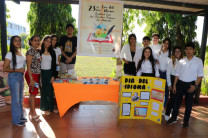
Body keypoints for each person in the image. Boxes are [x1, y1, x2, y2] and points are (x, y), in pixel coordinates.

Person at [167, 42, 204, 128]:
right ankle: (174, 117)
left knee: (188, 104)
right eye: (187, 49)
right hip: (180, 83)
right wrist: (175, 85)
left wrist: (195, 86)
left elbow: (200, 75)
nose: (188, 51)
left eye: (190, 49)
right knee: (177, 102)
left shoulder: (198, 61)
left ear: (194, 50)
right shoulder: (181, 61)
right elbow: (177, 74)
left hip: (190, 85)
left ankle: (186, 121)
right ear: (185, 50)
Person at [3, 36, 26, 126]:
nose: (18, 42)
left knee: (20, 98)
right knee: (16, 99)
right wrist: (18, 70)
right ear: (12, 42)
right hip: (14, 77)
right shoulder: (10, 54)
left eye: (19, 41)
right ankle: (16, 120)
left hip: (20, 77)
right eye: (15, 41)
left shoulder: (20, 52)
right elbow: (5, 68)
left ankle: (20, 116)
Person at [25, 35, 41, 121]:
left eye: (38, 40)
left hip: (36, 74)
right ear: (31, 41)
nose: (37, 42)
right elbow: (28, 66)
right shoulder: (30, 51)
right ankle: (33, 114)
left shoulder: (36, 51)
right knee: (32, 94)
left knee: (34, 94)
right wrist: (31, 79)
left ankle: (31, 112)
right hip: (32, 75)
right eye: (35, 40)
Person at [164, 46, 183, 121]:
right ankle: (167, 114)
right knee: (172, 99)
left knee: (178, 99)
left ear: (181, 52)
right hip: (172, 80)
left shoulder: (183, 61)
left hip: (180, 81)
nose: (177, 53)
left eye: (179, 51)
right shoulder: (170, 61)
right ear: (173, 53)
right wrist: (169, 84)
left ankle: (174, 114)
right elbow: (168, 73)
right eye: (176, 51)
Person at [40, 35, 57, 115]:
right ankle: (45, 108)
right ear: (43, 41)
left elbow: (54, 66)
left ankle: (51, 107)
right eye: (47, 41)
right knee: (43, 91)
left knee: (50, 91)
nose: (48, 43)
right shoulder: (39, 51)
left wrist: (53, 76)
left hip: (49, 73)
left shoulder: (53, 52)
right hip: (41, 74)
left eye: (50, 42)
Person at [157, 38, 171, 108]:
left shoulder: (170, 54)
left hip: (166, 74)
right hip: (159, 73)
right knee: (158, 91)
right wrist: (157, 74)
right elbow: (156, 65)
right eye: (164, 42)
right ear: (162, 43)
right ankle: (158, 107)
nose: (165, 44)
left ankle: (164, 108)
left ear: (169, 45)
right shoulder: (158, 52)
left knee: (166, 92)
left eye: (167, 43)